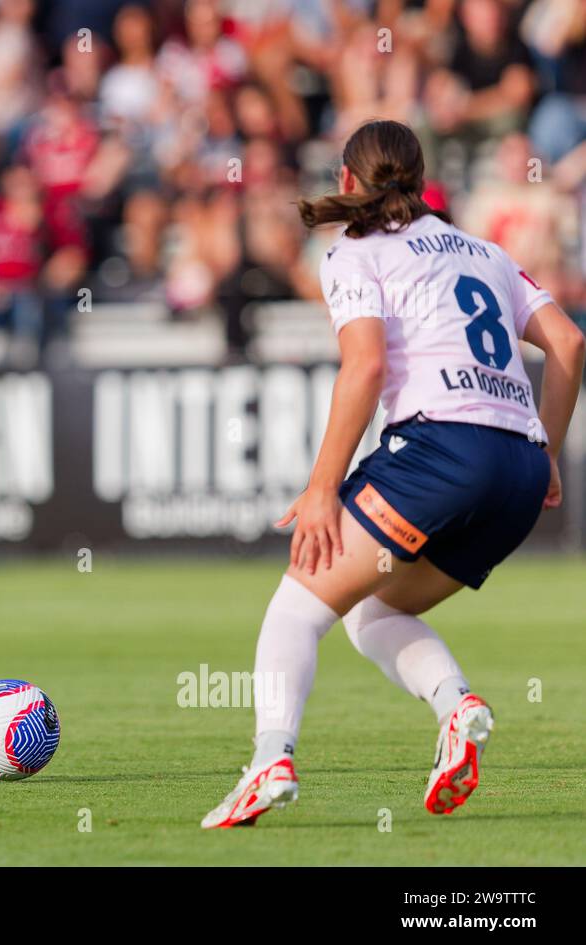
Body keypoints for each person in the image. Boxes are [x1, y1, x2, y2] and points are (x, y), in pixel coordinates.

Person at [201, 119, 585, 828]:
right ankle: (456, 706)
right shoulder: (485, 251)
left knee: (297, 607)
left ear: (348, 180)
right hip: (516, 474)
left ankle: (269, 762)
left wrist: (322, 487)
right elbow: (567, 339)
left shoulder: (356, 252)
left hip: (442, 449)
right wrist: (546, 451)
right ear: (422, 177)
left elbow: (366, 364)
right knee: (375, 611)